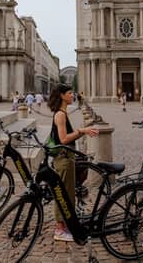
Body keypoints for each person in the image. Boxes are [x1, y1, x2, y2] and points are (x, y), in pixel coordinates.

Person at [48, 84, 98, 242]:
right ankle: (60, 229)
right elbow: (63, 139)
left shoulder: (63, 113)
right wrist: (81, 131)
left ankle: (65, 224)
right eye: (69, 93)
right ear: (62, 96)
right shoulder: (60, 115)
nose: (72, 95)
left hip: (65, 157)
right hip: (63, 159)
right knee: (62, 194)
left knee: (68, 193)